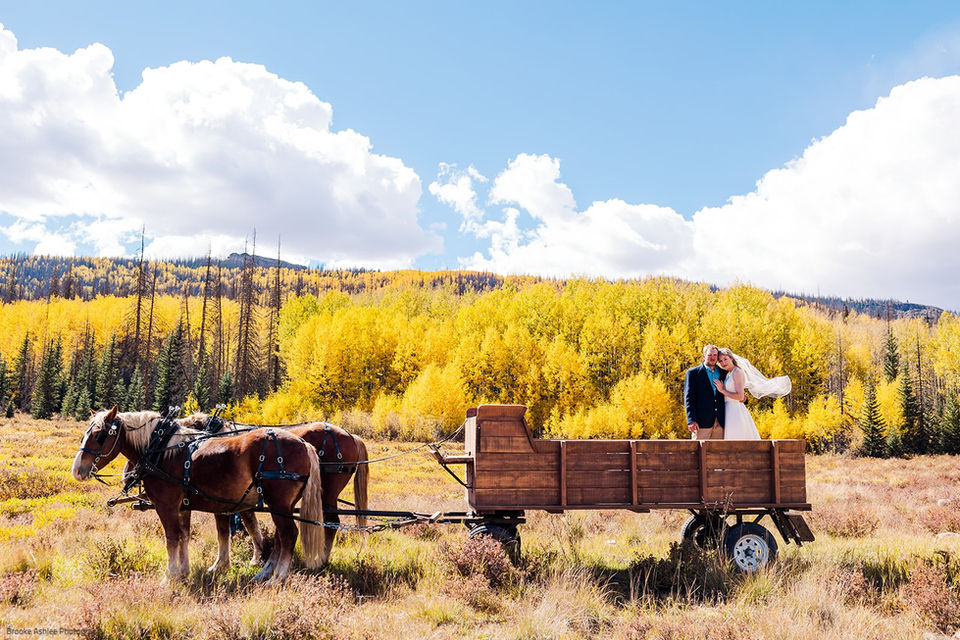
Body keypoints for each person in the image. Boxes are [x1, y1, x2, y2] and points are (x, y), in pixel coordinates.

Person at [713, 348, 792, 439]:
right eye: (720, 361)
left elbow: (740, 396)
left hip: (735, 410)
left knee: (737, 437)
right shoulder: (728, 374)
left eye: (725, 359)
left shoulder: (737, 372)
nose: (723, 363)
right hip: (728, 409)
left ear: (731, 358)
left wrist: (722, 390)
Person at [684, 344, 726, 440]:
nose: (712, 358)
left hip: (720, 422)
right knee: (698, 452)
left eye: (715, 355)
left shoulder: (723, 373)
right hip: (700, 422)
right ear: (703, 356)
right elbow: (688, 398)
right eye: (709, 355)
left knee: (718, 453)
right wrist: (691, 420)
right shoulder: (692, 373)